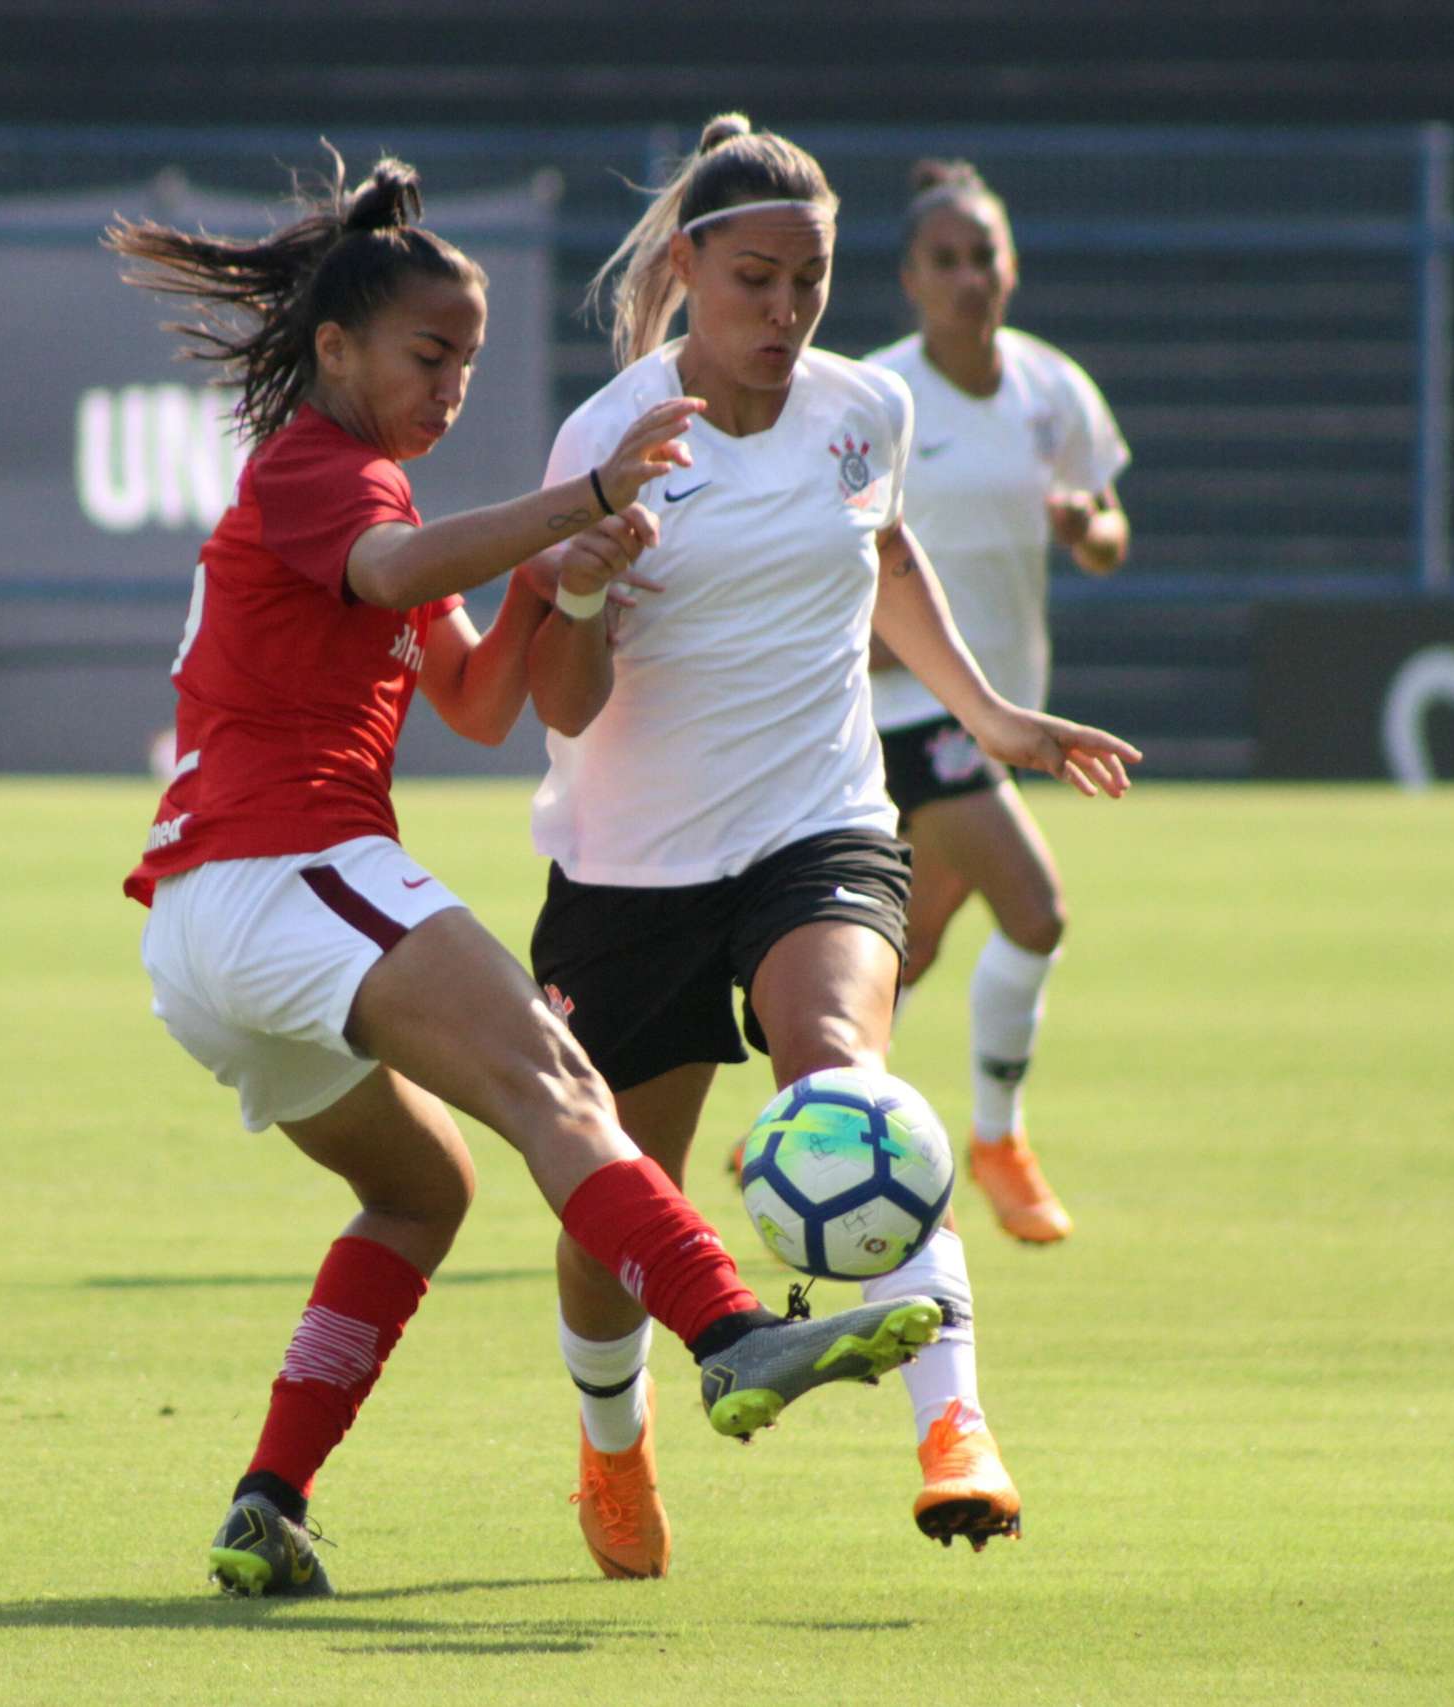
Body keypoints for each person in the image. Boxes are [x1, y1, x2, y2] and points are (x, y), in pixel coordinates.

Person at [107, 151, 951, 1600]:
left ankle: (268, 1493)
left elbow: (487, 704)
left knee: (421, 1192)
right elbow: (383, 574)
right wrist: (579, 502)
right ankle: (733, 1333)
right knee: (554, 1081)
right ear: (335, 349)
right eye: (428, 356)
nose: (449, 389)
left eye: (469, 362)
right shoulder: (324, 469)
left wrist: (570, 579)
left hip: (216, 936)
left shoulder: (380, 497)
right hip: (282, 866)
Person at [519, 115, 1141, 1575]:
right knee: (626, 1192)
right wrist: (593, 589)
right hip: (633, 864)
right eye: (754, 280)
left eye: (809, 280)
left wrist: (987, 713)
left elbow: (883, 544)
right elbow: (553, 696)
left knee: (852, 1092)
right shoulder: (611, 439)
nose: (787, 313)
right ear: (688, 268)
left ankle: (956, 1427)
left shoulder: (867, 407)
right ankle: (614, 1446)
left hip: (822, 821)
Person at [865, 159, 1133, 1245]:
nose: (970, 276)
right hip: (906, 713)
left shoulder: (1047, 389)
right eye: (947, 259)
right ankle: (996, 1142)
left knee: (910, 944)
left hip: (1003, 707)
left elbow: (1113, 534)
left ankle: (813, 1127)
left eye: (986, 256)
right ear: (909, 278)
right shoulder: (879, 396)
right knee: (1036, 907)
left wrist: (1086, 531)